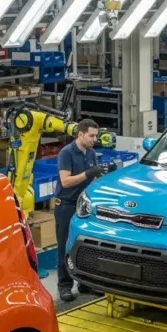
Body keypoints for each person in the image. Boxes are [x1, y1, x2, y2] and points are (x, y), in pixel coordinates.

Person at [56, 118, 107, 302]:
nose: (95, 139)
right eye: (92, 135)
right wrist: (88, 173)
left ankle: (85, 282)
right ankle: (64, 286)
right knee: (64, 245)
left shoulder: (91, 153)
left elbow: (91, 181)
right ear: (81, 134)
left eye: (96, 136)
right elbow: (65, 181)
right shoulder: (66, 153)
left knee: (86, 245)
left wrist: (101, 176)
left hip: (83, 205)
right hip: (66, 205)